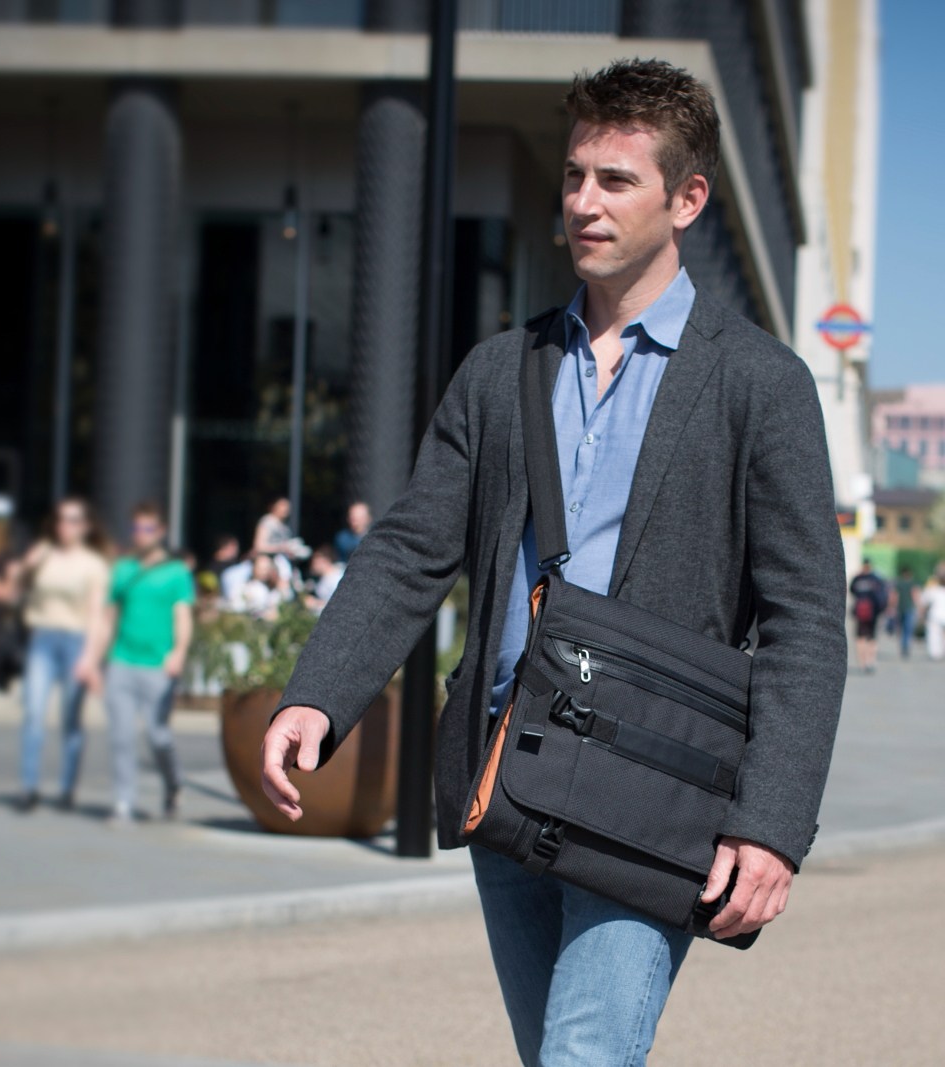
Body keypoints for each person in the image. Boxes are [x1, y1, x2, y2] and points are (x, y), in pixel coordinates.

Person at [260, 59, 845, 1066]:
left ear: (687, 199)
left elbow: (806, 619)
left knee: (584, 1057)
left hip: (651, 794)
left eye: (615, 180)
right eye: (574, 175)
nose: (582, 202)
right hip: (508, 769)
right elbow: (410, 546)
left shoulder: (759, 383)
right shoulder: (502, 369)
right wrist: (318, 693)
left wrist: (772, 822)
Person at [78, 501, 194, 825]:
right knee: (121, 737)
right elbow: (107, 618)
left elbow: (183, 616)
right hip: (121, 662)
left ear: (161, 531)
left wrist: (178, 652)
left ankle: (173, 783)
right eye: (136, 528)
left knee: (158, 736)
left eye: (148, 528)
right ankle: (124, 803)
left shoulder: (176, 572)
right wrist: (91, 660)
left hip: (158, 666)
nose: (141, 534)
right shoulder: (124, 569)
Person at [13, 497, 112, 814]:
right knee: (33, 712)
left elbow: (98, 615)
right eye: (60, 519)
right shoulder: (43, 553)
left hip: (76, 641)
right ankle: (29, 787)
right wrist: (24, 567)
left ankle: (67, 787)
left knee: (71, 717)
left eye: (73, 520)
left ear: (86, 526)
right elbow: (15, 589)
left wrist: (90, 658)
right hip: (42, 637)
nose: (65, 526)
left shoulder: (94, 564)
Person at [848, 559, 886, 675]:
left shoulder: (857, 579)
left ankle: (862, 663)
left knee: (860, 638)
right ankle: (870, 661)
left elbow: (852, 591)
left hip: (860, 612)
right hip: (873, 612)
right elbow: (882, 596)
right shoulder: (876, 579)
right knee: (872, 638)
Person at [232, 552, 287, 620]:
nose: (264, 572)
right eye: (261, 568)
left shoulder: (274, 591)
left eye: (267, 568)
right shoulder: (244, 587)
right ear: (253, 567)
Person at [252, 497, 309, 562]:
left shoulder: (285, 527)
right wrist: (282, 548)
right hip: (266, 561)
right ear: (274, 507)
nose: (286, 508)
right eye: (282, 505)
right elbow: (259, 547)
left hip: (281, 561)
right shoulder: (268, 521)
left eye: (288, 506)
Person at [891, 565, 920, 660]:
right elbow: (914, 595)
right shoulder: (912, 583)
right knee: (908, 628)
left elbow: (895, 596)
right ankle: (906, 645)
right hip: (909, 608)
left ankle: (903, 645)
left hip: (900, 608)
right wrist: (918, 606)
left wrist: (893, 607)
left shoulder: (899, 583)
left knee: (901, 628)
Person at [305, 544, 344, 613]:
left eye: (315, 562)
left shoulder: (335, 578)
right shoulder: (326, 578)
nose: (312, 565)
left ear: (325, 561)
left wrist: (315, 603)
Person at [920, 567, 945, 662]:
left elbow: (924, 601)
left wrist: (922, 613)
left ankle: (935, 653)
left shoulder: (933, 589)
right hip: (940, 616)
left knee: (934, 635)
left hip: (935, 616)